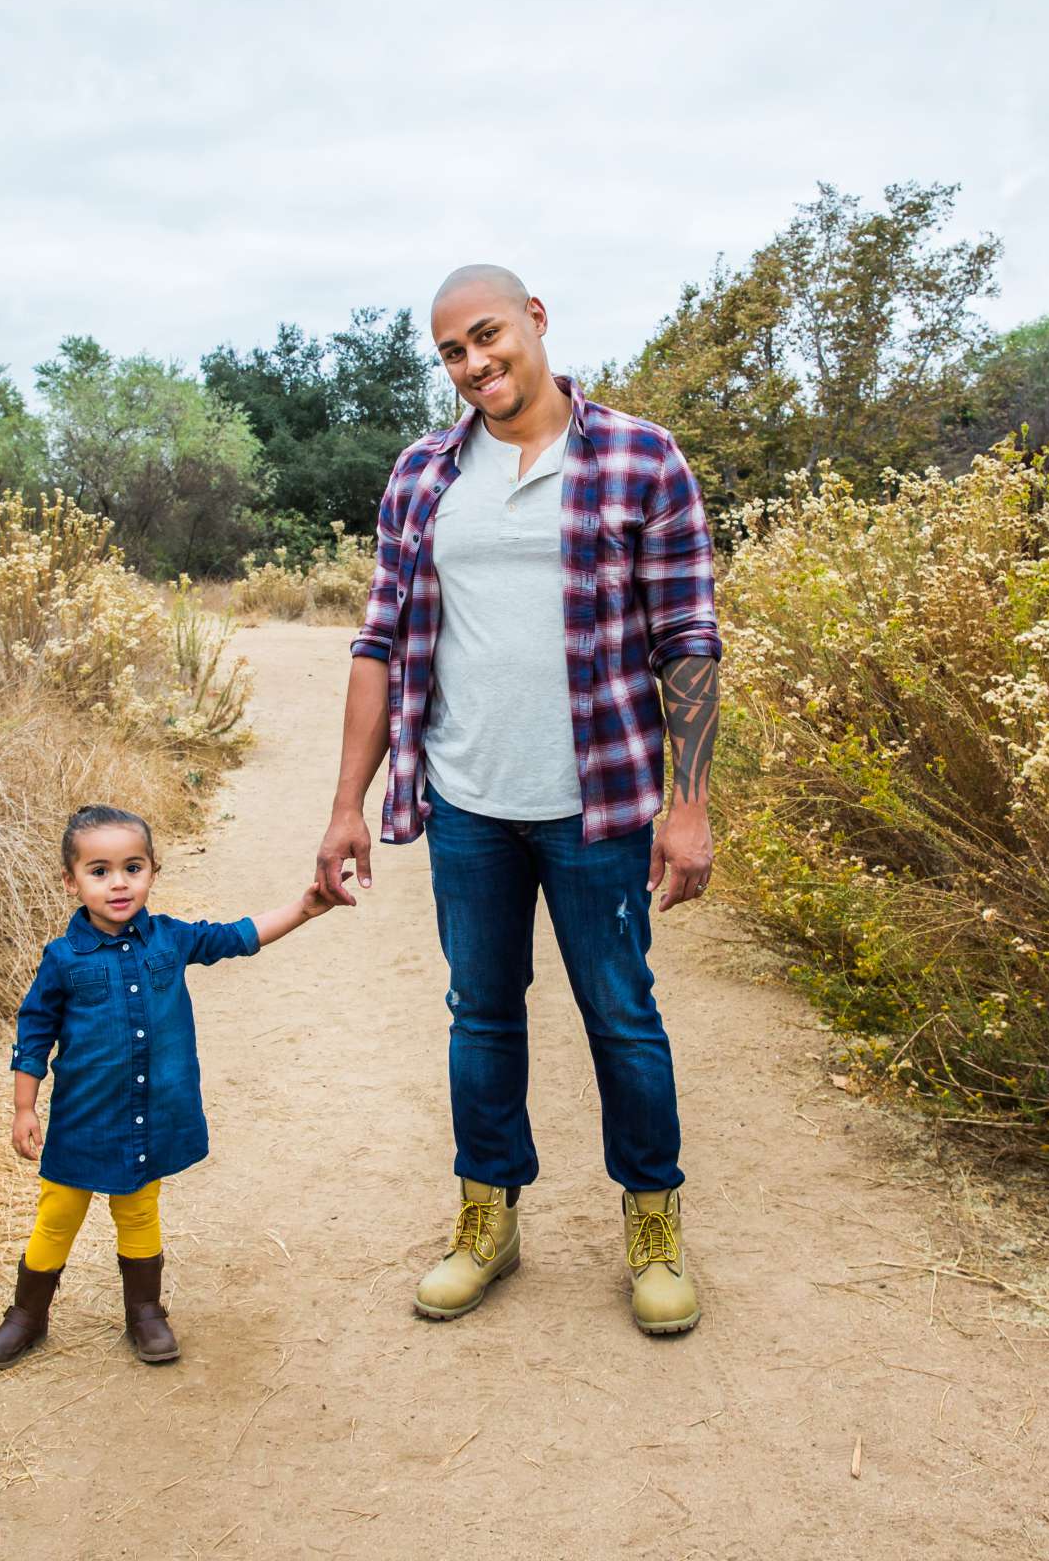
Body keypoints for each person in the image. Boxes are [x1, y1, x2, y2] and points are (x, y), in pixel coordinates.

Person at [315, 264, 721, 1335]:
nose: (473, 364)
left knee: (621, 1018)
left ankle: (654, 1229)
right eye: (451, 351)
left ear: (535, 320)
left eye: (486, 336)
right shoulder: (422, 475)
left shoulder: (639, 457)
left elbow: (688, 638)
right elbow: (380, 642)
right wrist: (346, 803)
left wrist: (690, 804)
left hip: (602, 805)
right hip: (467, 805)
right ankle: (486, 1220)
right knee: (481, 1015)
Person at [0, 804, 333, 1368]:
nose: (118, 883)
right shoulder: (63, 958)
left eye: (132, 867)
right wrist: (25, 1106)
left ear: (153, 871)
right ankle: (26, 1316)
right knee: (59, 1213)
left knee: (139, 1210)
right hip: (83, 1119)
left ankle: (145, 1311)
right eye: (99, 871)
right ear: (71, 881)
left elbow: (237, 936)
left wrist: (305, 909)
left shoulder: (170, 939)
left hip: (150, 1112)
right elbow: (34, 1029)